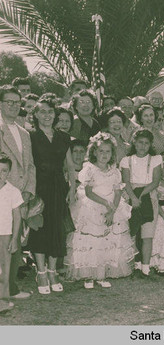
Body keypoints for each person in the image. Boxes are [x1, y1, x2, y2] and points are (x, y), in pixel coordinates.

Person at [65, 133, 136, 288]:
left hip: (111, 208)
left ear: (112, 154)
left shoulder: (115, 171)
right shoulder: (89, 169)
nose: (104, 155)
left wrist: (112, 210)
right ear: (94, 152)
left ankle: (101, 274)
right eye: (101, 151)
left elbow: (117, 192)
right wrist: (105, 204)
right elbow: (89, 192)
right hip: (92, 207)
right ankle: (88, 275)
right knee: (91, 240)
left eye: (108, 152)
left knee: (108, 240)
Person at [29, 99, 76, 294]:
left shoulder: (64, 137)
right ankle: (40, 272)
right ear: (36, 115)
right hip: (39, 187)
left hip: (59, 187)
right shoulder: (30, 136)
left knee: (57, 228)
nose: (47, 115)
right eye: (43, 112)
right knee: (40, 228)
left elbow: (70, 165)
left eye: (50, 112)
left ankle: (52, 270)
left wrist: (72, 188)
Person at [0, 85, 36, 300]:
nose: (13, 106)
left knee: (15, 240)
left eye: (17, 102)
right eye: (9, 102)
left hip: (20, 195)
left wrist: (29, 191)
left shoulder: (24, 132)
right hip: (3, 192)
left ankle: (10, 288)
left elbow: (30, 165)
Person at [120, 130, 162, 278]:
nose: (143, 146)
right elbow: (125, 182)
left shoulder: (156, 159)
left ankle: (145, 266)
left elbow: (155, 181)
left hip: (148, 195)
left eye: (146, 143)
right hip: (130, 196)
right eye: (139, 142)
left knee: (147, 234)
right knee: (132, 231)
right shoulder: (127, 160)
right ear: (134, 143)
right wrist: (133, 197)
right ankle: (133, 265)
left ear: (150, 144)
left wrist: (141, 195)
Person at [0, 154, 23, 313]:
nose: (0, 174)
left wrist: (14, 239)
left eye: (3, 170)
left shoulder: (13, 191)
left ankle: (2, 301)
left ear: (8, 172)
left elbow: (17, 217)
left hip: (5, 235)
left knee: (4, 269)